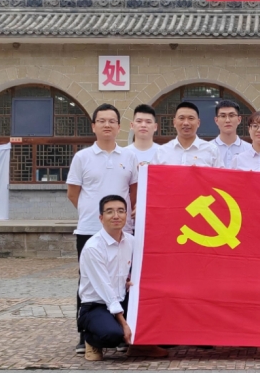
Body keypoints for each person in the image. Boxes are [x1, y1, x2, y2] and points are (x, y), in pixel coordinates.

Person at [67, 103, 138, 355]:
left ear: (119, 126)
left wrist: (117, 217)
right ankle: (84, 335)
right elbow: (73, 193)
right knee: (88, 280)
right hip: (89, 228)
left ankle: (122, 327)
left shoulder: (129, 157)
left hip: (123, 230)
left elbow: (133, 193)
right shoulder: (82, 157)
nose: (107, 125)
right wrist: (95, 216)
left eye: (112, 121)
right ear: (93, 126)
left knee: (123, 278)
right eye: (102, 121)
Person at [78, 195, 168, 361]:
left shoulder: (132, 241)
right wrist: (124, 324)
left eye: (121, 211)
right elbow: (105, 288)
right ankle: (90, 339)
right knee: (113, 335)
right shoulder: (93, 247)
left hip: (123, 299)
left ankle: (139, 347)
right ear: (101, 218)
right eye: (109, 212)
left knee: (166, 325)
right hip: (97, 305)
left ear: (127, 215)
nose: (116, 216)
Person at [152, 101, 223, 167]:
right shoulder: (161, 152)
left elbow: (220, 176)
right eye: (181, 118)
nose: (186, 123)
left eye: (191, 118)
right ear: (174, 122)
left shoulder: (212, 151)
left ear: (198, 123)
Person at [213, 99, 247, 168]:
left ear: (239, 119)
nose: (227, 120)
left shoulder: (249, 149)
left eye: (231, 115)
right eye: (223, 116)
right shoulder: (207, 149)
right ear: (216, 120)